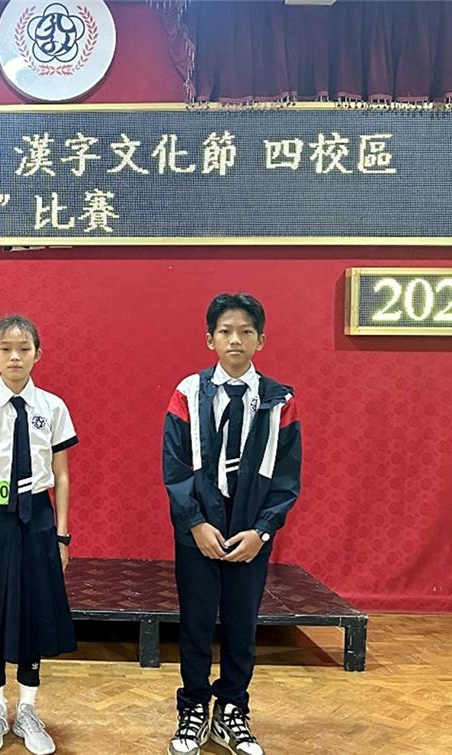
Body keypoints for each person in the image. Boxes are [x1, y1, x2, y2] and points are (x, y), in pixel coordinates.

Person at [162, 293, 302, 755]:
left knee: (242, 624)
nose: (235, 339)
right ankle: (194, 708)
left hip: (249, 529)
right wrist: (196, 523)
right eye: (225, 331)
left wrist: (262, 531)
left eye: (245, 331)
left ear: (261, 340)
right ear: (209, 339)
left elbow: (286, 477)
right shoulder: (188, 392)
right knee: (196, 622)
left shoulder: (280, 401)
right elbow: (175, 466)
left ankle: (234, 710)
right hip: (199, 526)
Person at [0, 315, 78, 755]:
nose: (15, 357)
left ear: (38, 354)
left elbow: (61, 475)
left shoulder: (53, 408)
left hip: (38, 519)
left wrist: (62, 533)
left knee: (32, 609)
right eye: (5, 348)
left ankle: (27, 709)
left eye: (24, 349)